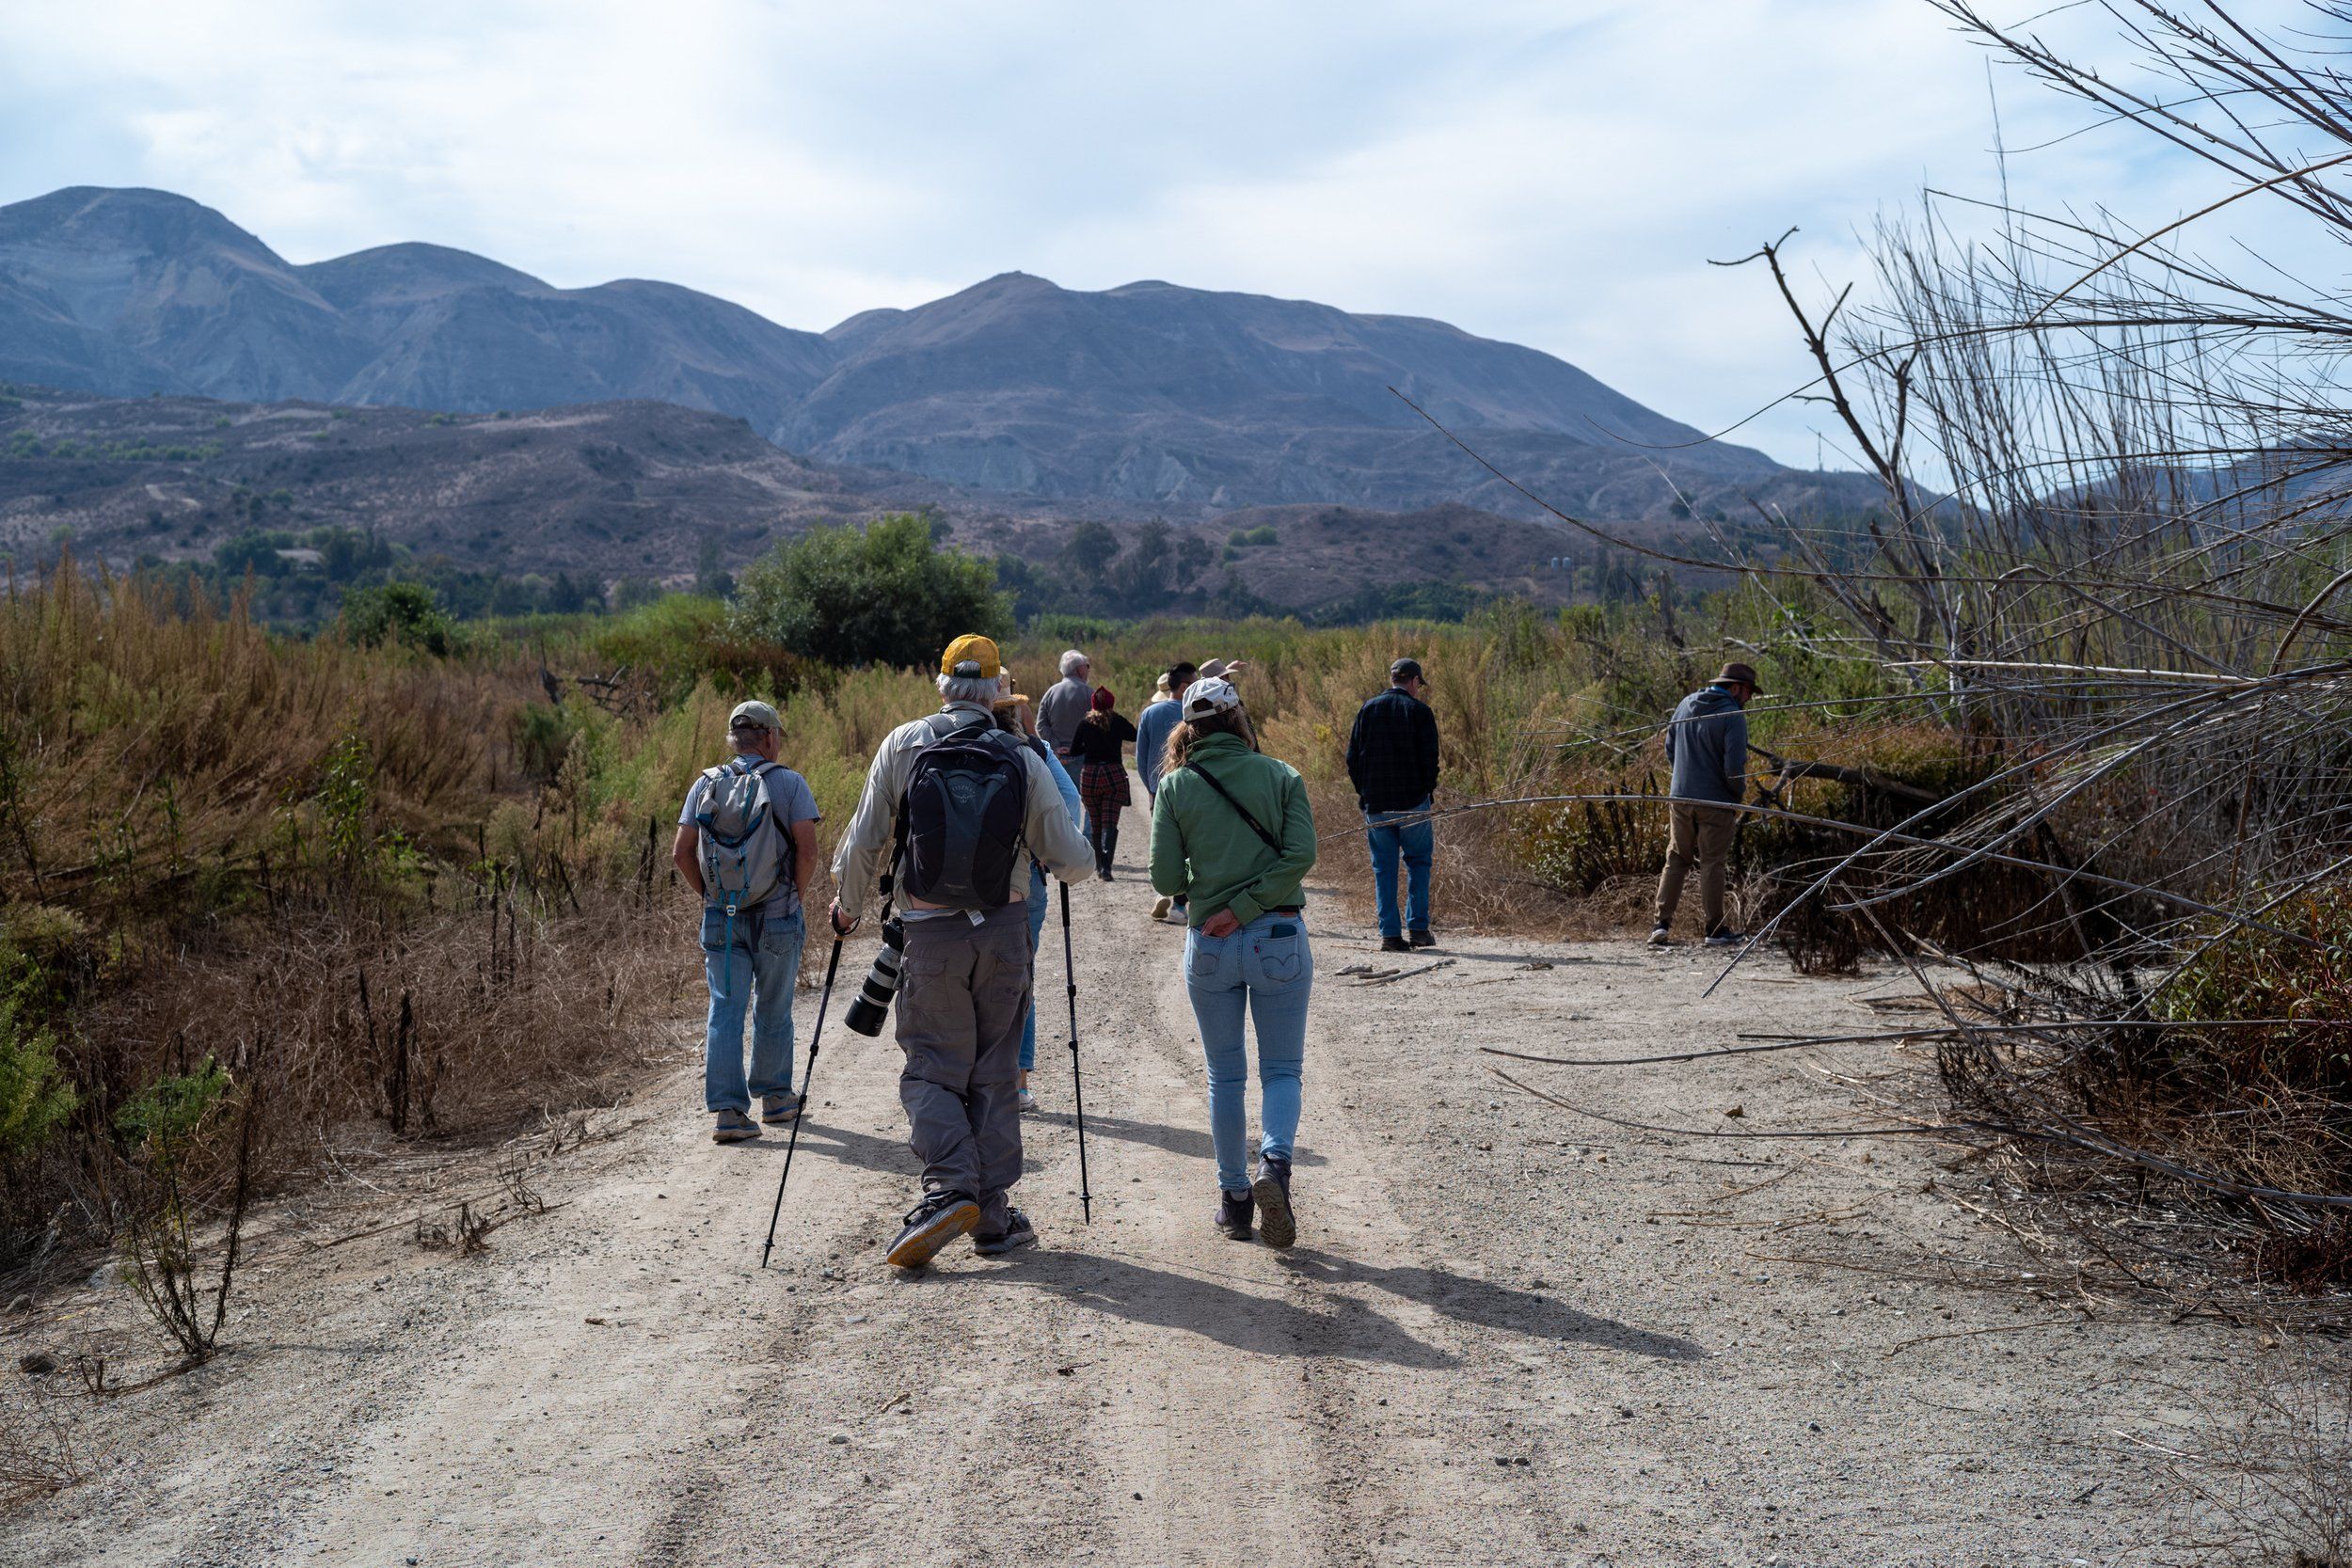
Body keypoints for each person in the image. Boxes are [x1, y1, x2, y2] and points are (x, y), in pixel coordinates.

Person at [829, 636, 1093, 1268]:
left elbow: (865, 839)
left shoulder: (904, 743)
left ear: (942, 684)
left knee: (931, 1068)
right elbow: (1076, 863)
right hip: (1003, 932)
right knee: (994, 1069)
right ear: (999, 688)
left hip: (929, 936)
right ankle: (992, 1215)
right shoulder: (1020, 754)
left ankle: (950, 1187)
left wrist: (848, 907)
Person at [1147, 676, 1317, 1249]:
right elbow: (1301, 856)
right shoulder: (1282, 776)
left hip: (1212, 943)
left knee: (1225, 1075)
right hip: (1280, 938)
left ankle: (1235, 1201)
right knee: (1283, 1071)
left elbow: (1166, 881)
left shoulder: (1175, 787)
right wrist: (1251, 903)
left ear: (1188, 727)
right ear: (1239, 718)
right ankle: (1275, 1164)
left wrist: (1220, 900)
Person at [671, 700, 823, 1144]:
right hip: (778, 917)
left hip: (722, 918)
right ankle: (776, 1099)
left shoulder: (705, 785)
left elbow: (682, 853)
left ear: (734, 739)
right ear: (771, 737)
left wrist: (713, 898)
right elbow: (809, 850)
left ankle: (728, 1113)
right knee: (774, 1008)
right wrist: (793, 896)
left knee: (725, 1011)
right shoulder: (790, 784)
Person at [1651, 661, 1761, 948]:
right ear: (1735, 688)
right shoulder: (1732, 715)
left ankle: (1660, 925)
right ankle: (1714, 929)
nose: (1749, 699)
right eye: (1748, 692)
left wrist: (1685, 778)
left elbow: (1669, 749)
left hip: (1680, 797)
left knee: (1676, 858)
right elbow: (1734, 766)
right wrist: (1736, 796)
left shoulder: (1685, 704)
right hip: (1716, 800)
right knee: (1712, 862)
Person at [1017, 694, 1087, 1114]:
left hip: (949, 890)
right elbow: (1070, 805)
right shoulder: (1033, 749)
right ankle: (1017, 1084)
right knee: (1018, 977)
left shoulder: (934, 739)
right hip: (1023, 881)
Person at [1345, 657, 1442, 954]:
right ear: (1413, 681)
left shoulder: (1368, 709)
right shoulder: (1420, 712)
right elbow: (1430, 760)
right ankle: (1418, 929)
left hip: (1376, 804)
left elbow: (1352, 758)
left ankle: (1390, 934)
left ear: (1393, 679)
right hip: (1413, 803)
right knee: (1418, 864)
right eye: (1418, 685)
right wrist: (1426, 790)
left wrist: (1365, 791)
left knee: (1383, 869)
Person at [1136, 661, 1196, 924]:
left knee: (1164, 843)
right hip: (1189, 788)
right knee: (1188, 845)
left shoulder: (1149, 713)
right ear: (1184, 687)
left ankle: (1162, 890)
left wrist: (1150, 788)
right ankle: (1180, 906)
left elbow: (1141, 756)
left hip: (1157, 789)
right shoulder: (1193, 713)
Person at [1071, 686, 1138, 881]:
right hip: (1114, 774)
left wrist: (1088, 744)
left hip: (1090, 774)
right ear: (1111, 702)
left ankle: (1099, 865)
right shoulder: (1117, 721)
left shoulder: (1085, 723)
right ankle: (1107, 867)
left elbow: (1075, 751)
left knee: (1096, 821)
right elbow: (1134, 735)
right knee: (1111, 822)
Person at [1037, 648, 1094, 761]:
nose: (1088, 670)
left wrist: (1055, 746)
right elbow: (1097, 726)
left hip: (1057, 756)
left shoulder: (1050, 692)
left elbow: (1041, 725)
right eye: (1087, 666)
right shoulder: (1089, 693)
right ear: (1080, 670)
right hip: (1082, 756)